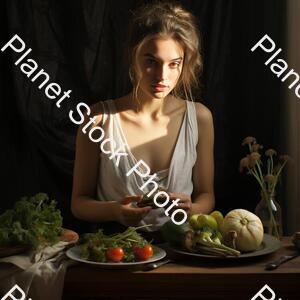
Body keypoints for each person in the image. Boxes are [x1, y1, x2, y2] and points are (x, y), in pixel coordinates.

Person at [71, 1, 215, 233]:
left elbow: (206, 195)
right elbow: (79, 203)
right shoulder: (98, 119)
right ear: (132, 56)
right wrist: (114, 210)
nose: (162, 76)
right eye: (151, 62)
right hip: (116, 255)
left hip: (182, 255)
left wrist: (193, 209)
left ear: (184, 64)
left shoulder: (199, 118)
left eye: (173, 64)